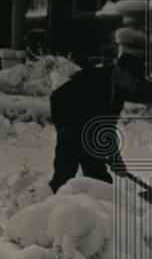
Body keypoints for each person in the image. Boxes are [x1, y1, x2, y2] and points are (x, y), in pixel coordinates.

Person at [48, 53, 144, 194]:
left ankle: (98, 212)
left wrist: (115, 159)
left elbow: (108, 127)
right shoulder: (91, 77)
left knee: (101, 184)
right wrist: (63, 128)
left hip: (91, 138)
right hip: (72, 134)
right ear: (120, 72)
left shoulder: (119, 92)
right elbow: (56, 97)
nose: (131, 86)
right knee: (63, 178)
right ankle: (47, 209)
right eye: (131, 80)